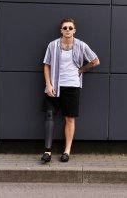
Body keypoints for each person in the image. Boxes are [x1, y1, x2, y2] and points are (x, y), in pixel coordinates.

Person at [41, 18, 100, 163]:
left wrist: (81, 70)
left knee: (69, 118)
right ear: (61, 30)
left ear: (74, 30)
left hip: (72, 86)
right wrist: (48, 84)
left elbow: (95, 61)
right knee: (49, 115)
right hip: (55, 85)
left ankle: (67, 151)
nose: (67, 30)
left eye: (70, 28)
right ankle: (47, 151)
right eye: (65, 28)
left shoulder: (81, 45)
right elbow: (46, 65)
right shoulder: (53, 45)